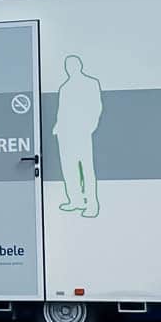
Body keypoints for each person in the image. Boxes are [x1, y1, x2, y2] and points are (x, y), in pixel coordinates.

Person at [53, 54, 103, 218]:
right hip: (64, 133)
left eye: (72, 65)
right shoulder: (64, 87)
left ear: (79, 66)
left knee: (86, 169)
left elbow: (96, 106)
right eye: (68, 66)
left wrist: (90, 126)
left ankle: (91, 205)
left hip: (81, 132)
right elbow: (62, 111)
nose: (70, 68)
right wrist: (57, 127)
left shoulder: (91, 83)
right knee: (68, 169)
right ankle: (75, 200)